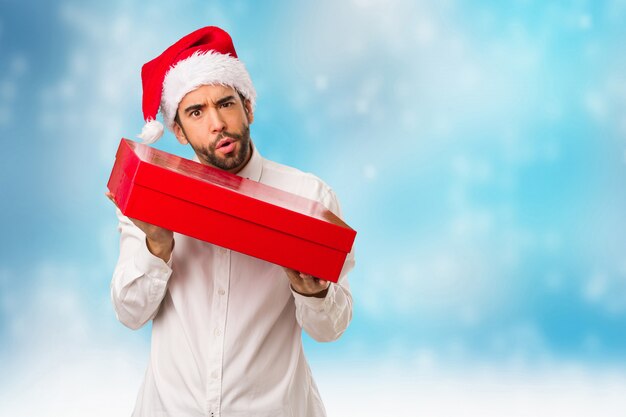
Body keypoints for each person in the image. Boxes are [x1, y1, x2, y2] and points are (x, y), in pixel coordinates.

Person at [107, 26, 354, 417]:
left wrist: (313, 293)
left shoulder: (310, 198)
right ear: (179, 132)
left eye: (226, 103)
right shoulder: (150, 197)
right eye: (196, 112)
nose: (216, 122)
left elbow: (331, 329)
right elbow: (130, 313)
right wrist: (158, 246)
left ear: (248, 107)